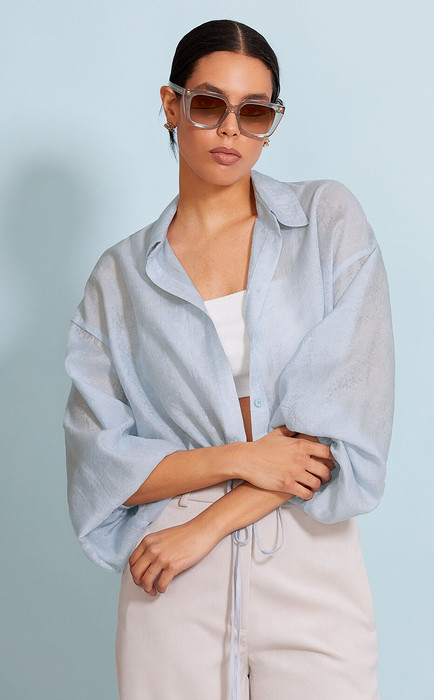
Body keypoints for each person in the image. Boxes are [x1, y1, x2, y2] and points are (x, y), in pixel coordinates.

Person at [63, 18, 395, 700]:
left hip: (306, 557)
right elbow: (101, 465)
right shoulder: (118, 279)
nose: (230, 131)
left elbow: (342, 431)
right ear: (171, 105)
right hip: (170, 574)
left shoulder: (327, 223)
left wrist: (207, 525)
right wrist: (243, 458)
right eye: (210, 104)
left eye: (255, 112)